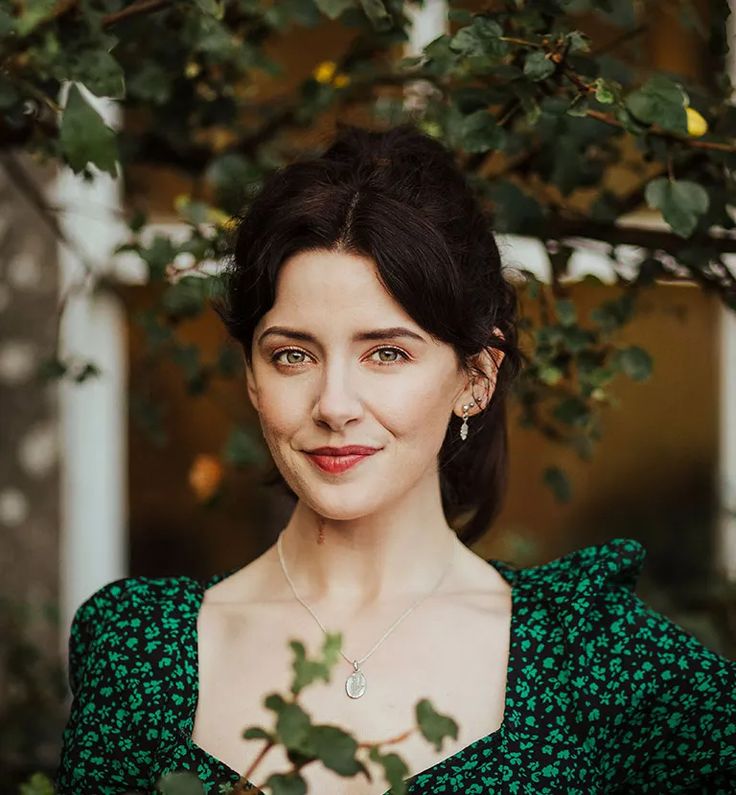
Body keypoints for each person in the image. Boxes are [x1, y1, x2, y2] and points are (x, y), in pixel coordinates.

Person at [55, 123, 735, 795]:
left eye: (387, 353)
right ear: (254, 379)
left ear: (476, 377)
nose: (335, 403)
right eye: (293, 354)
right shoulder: (138, 649)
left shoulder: (593, 658)